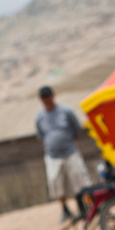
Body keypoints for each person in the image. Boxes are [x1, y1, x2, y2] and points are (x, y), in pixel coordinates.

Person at [35, 85, 92, 222]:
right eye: (44, 98)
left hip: (70, 152)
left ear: (53, 96)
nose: (47, 100)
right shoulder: (39, 117)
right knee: (56, 184)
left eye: (48, 97)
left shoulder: (66, 111)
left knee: (80, 179)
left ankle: (86, 206)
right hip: (52, 156)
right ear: (41, 100)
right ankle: (65, 210)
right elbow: (41, 135)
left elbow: (76, 129)